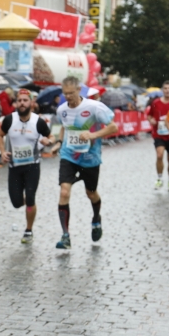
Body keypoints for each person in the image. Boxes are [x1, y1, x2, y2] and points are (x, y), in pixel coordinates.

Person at [50, 76, 117, 249]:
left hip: (90, 158)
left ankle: (96, 219)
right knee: (64, 192)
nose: (68, 97)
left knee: (91, 193)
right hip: (69, 156)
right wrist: (59, 142)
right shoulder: (62, 109)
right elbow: (64, 126)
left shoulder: (94, 107)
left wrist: (93, 135)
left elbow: (113, 127)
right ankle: (65, 236)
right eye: (65, 94)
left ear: (79, 90)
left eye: (71, 93)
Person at [0, 89, 52, 244]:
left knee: (30, 197)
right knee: (16, 202)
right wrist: (2, 151)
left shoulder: (38, 121)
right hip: (15, 167)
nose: (22, 103)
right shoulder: (9, 120)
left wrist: (48, 141)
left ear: (31, 103)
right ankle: (29, 202)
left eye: (25, 100)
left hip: (32, 167)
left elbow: (51, 136)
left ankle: (28, 230)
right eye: (19, 100)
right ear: (16, 103)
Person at [147, 81, 169, 191]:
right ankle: (159, 178)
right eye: (165, 88)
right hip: (159, 134)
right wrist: (151, 120)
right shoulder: (156, 102)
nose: (167, 90)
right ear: (162, 90)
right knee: (159, 155)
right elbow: (149, 115)